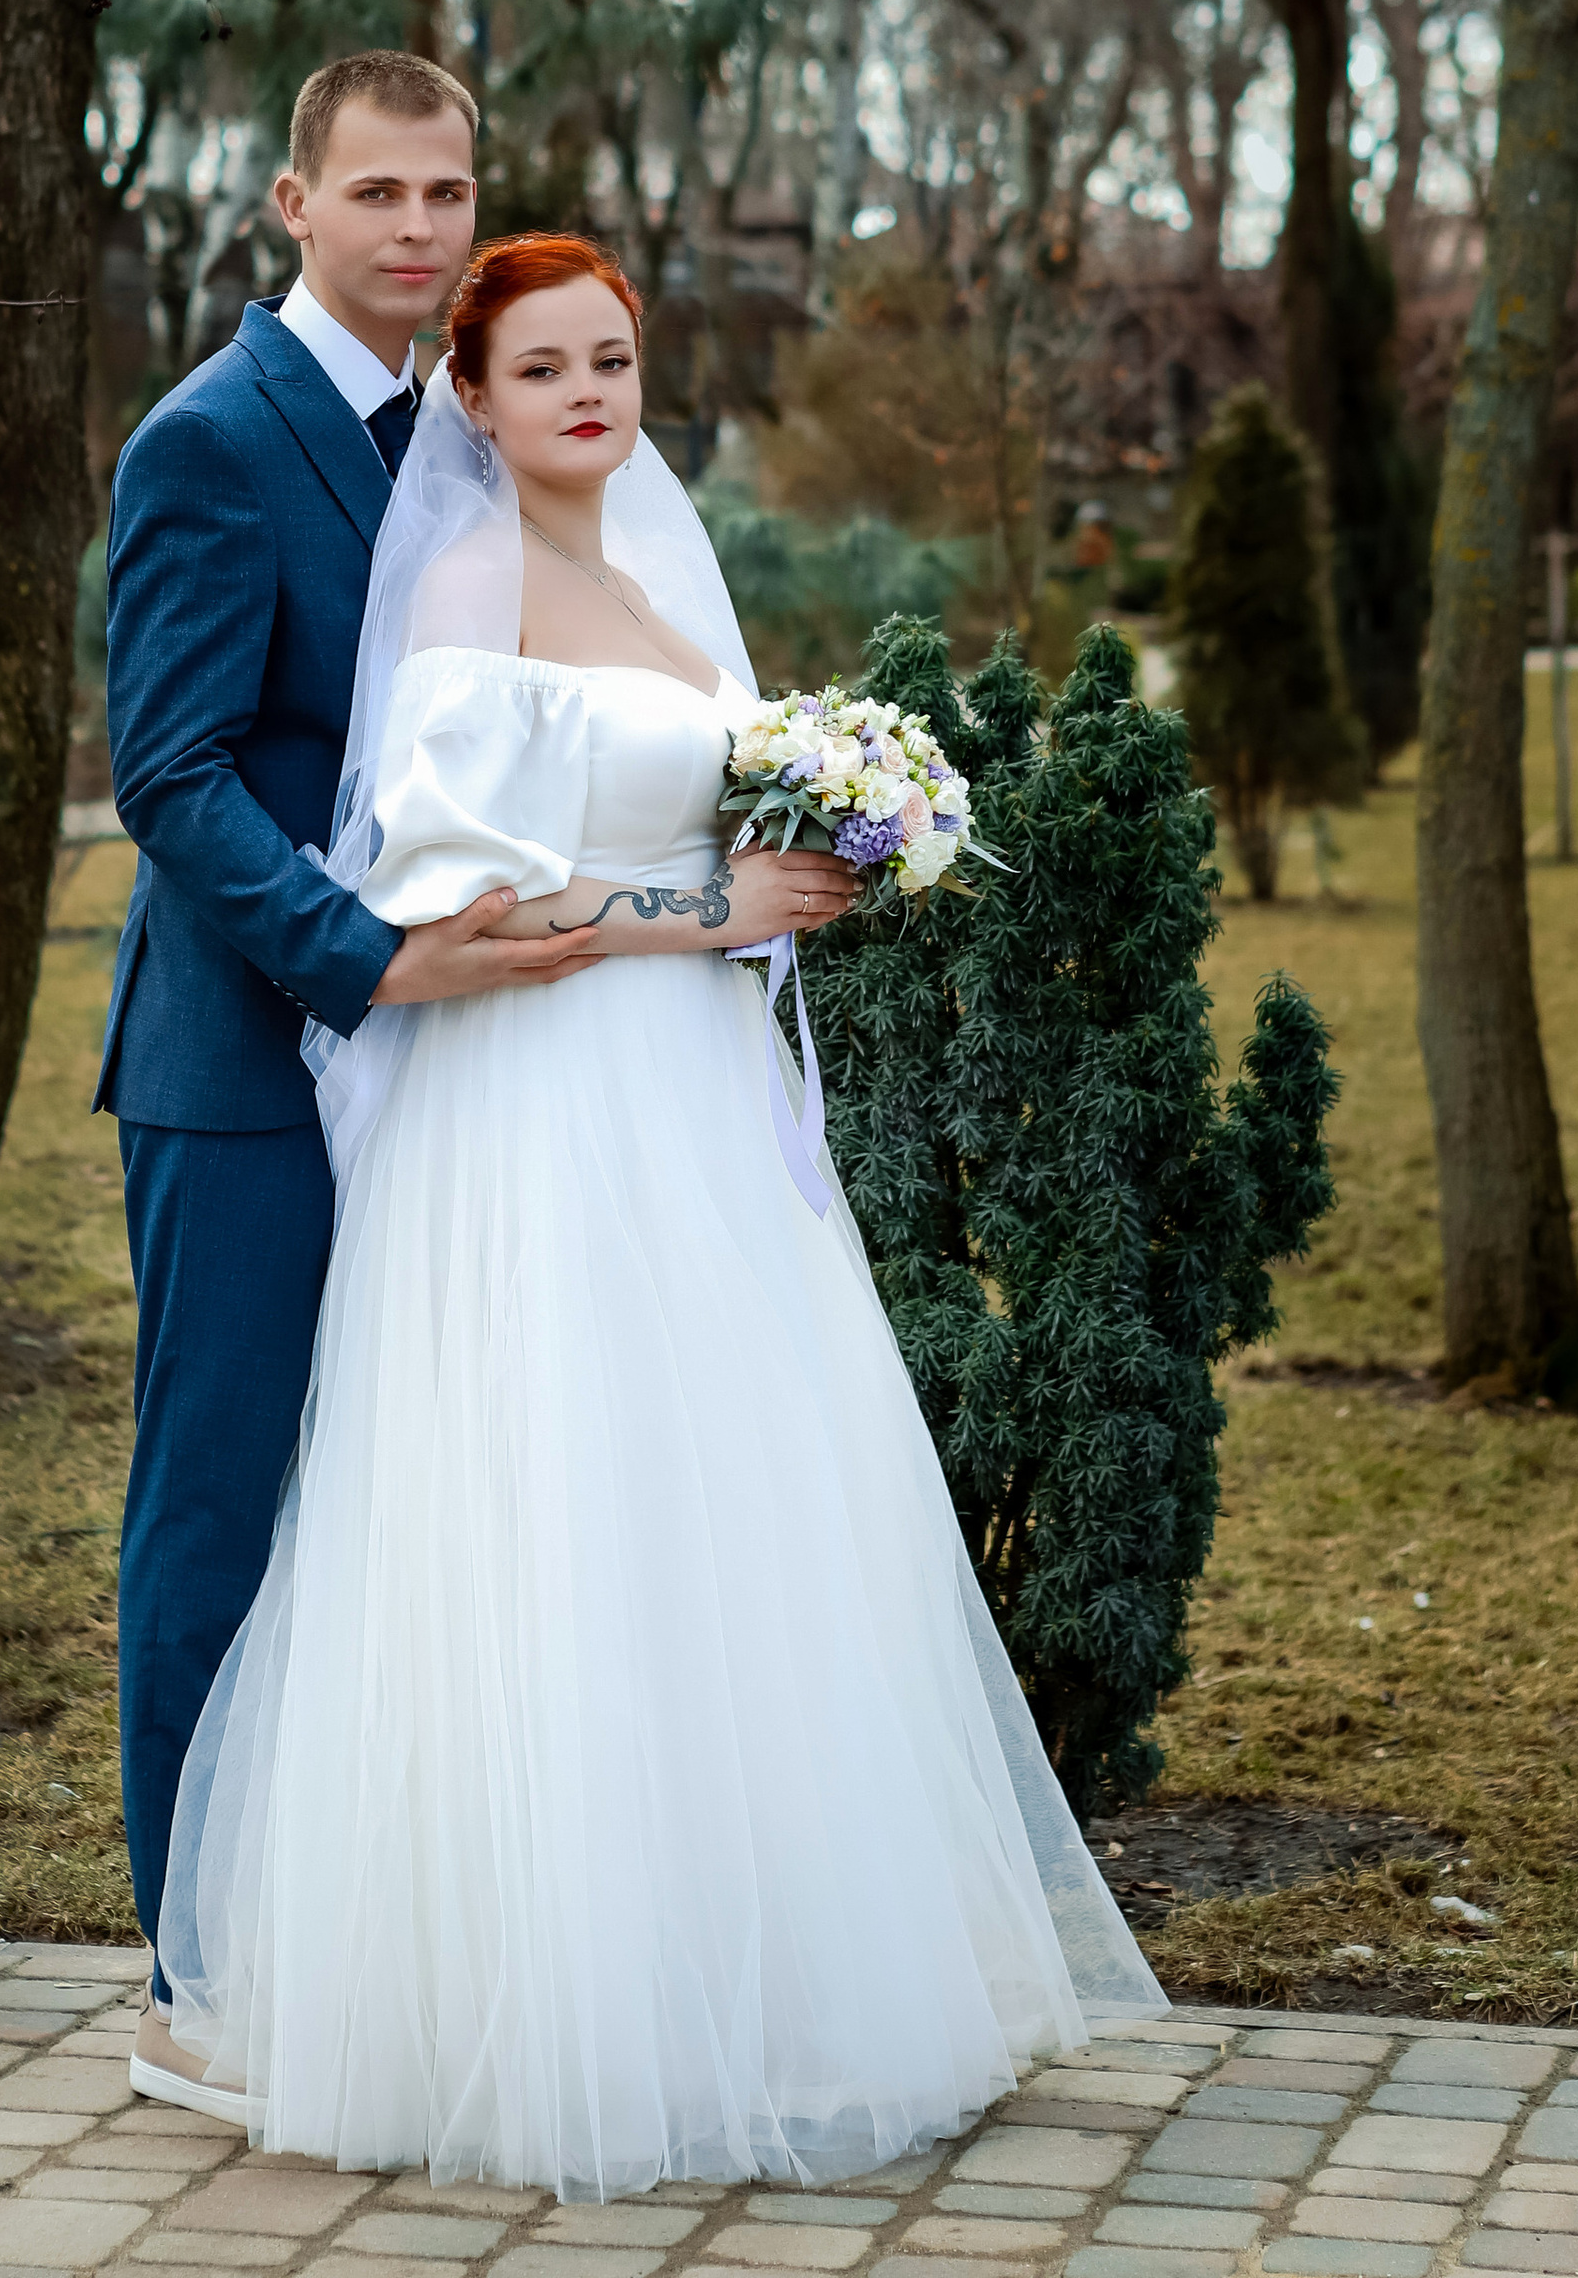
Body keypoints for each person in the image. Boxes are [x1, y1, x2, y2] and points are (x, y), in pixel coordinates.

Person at [153, 232, 1165, 2195]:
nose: (585, 396)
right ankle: (544, 2002)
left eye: (608, 360)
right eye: (540, 369)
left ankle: (743, 1975)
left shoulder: (652, 580)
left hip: (688, 1098)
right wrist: (713, 910)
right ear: (470, 398)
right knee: (563, 1500)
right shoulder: (466, 584)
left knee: (718, 1506)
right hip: (539, 1102)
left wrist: (839, 836)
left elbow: (708, 807)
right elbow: (465, 908)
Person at [98, 59, 627, 2112]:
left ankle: (372, 1947)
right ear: (292, 204)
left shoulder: (467, 437)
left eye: (448, 192)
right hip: (248, 1065)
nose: (418, 228)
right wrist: (368, 957)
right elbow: (171, 775)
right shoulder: (208, 442)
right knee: (220, 1505)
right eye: (380, 191)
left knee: (405, 1505)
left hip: (456, 1083)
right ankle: (194, 1976)